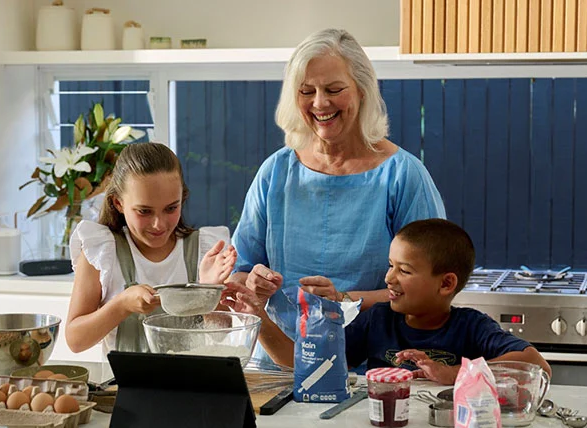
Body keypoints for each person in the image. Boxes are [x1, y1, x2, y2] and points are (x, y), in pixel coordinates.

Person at [229, 28, 446, 362]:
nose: (319, 103)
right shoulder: (275, 172)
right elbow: (240, 271)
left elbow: (426, 293)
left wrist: (345, 298)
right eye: (306, 91)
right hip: (276, 363)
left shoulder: (403, 176)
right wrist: (253, 282)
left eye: (333, 89)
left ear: (361, 90)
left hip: (371, 366)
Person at [224, 219, 552, 385]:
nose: (388, 279)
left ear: (446, 283)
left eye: (404, 270)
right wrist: (260, 321)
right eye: (390, 265)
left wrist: (453, 373)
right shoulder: (377, 320)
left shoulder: (471, 326)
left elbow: (536, 365)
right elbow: (308, 367)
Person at [65, 142, 237, 355]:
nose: (159, 224)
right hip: (122, 387)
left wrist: (209, 293)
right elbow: (75, 340)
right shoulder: (101, 250)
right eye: (144, 211)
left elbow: (221, 334)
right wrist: (121, 305)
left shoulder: (204, 251)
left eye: (171, 208)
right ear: (118, 203)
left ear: (182, 198)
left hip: (192, 385)